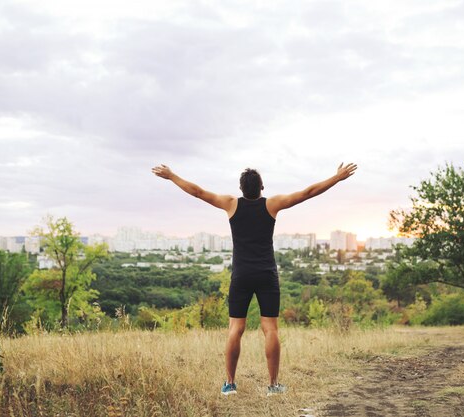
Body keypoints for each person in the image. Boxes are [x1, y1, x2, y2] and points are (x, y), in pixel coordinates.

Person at [151, 162, 358, 396]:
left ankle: (229, 384)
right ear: (262, 187)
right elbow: (307, 193)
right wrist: (337, 177)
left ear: (241, 189)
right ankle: (273, 385)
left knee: (235, 329)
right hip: (267, 274)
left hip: (241, 275)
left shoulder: (230, 204)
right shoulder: (271, 204)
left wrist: (171, 176)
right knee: (270, 329)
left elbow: (197, 192)